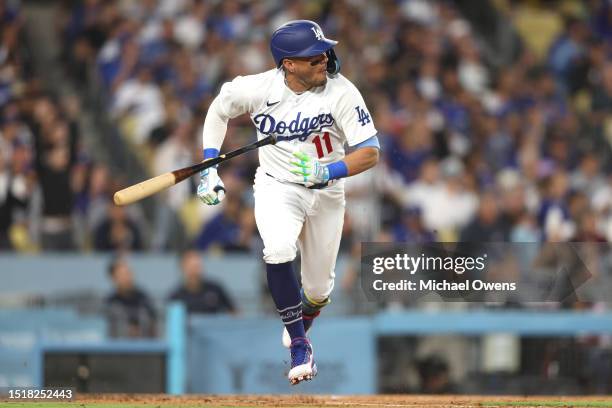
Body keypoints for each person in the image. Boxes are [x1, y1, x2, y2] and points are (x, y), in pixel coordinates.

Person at [196, 20, 379, 385]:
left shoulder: (342, 92)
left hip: (326, 189)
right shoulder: (257, 87)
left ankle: (303, 317)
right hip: (278, 187)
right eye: (313, 58)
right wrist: (210, 166)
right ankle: (299, 344)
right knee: (277, 249)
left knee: (318, 290)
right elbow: (218, 111)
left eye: (324, 53)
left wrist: (330, 171)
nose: (324, 60)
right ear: (288, 64)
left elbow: (371, 152)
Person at [168, 249, 237, 314]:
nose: (196, 271)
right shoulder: (176, 297)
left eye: (198, 266)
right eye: (192, 267)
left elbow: (234, 312)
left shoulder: (215, 289)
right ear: (183, 268)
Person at [105, 256, 157, 338]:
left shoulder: (144, 299)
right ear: (114, 278)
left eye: (128, 273)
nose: (127, 278)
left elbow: (153, 325)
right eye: (121, 275)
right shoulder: (110, 302)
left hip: (144, 346)